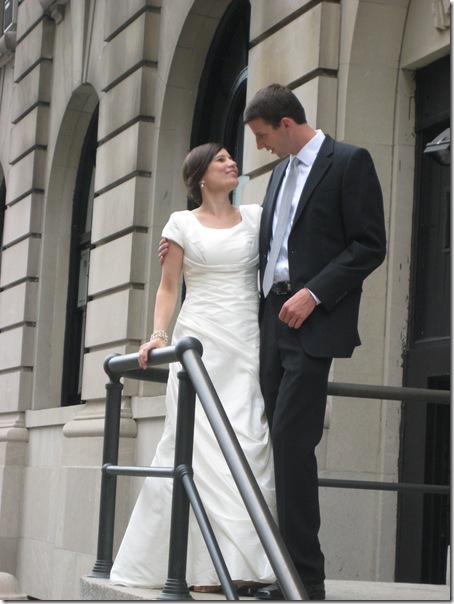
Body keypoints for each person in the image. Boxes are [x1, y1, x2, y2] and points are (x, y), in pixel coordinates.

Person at [240, 83, 387, 601]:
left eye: (262, 135)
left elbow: (370, 244)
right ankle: (287, 571)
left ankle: (304, 579)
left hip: (312, 322)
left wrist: (315, 294)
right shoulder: (279, 173)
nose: (259, 147)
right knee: (278, 444)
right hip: (271, 320)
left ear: (286, 124)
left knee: (292, 443)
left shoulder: (349, 162)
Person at [109, 142, 277, 595]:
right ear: (201, 175)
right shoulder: (180, 224)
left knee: (248, 440)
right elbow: (169, 288)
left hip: (245, 341)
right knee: (196, 448)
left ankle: (245, 565)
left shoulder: (257, 217)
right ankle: (202, 569)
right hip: (198, 341)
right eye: (221, 159)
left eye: (231, 157)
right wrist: (158, 335)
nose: (231, 162)